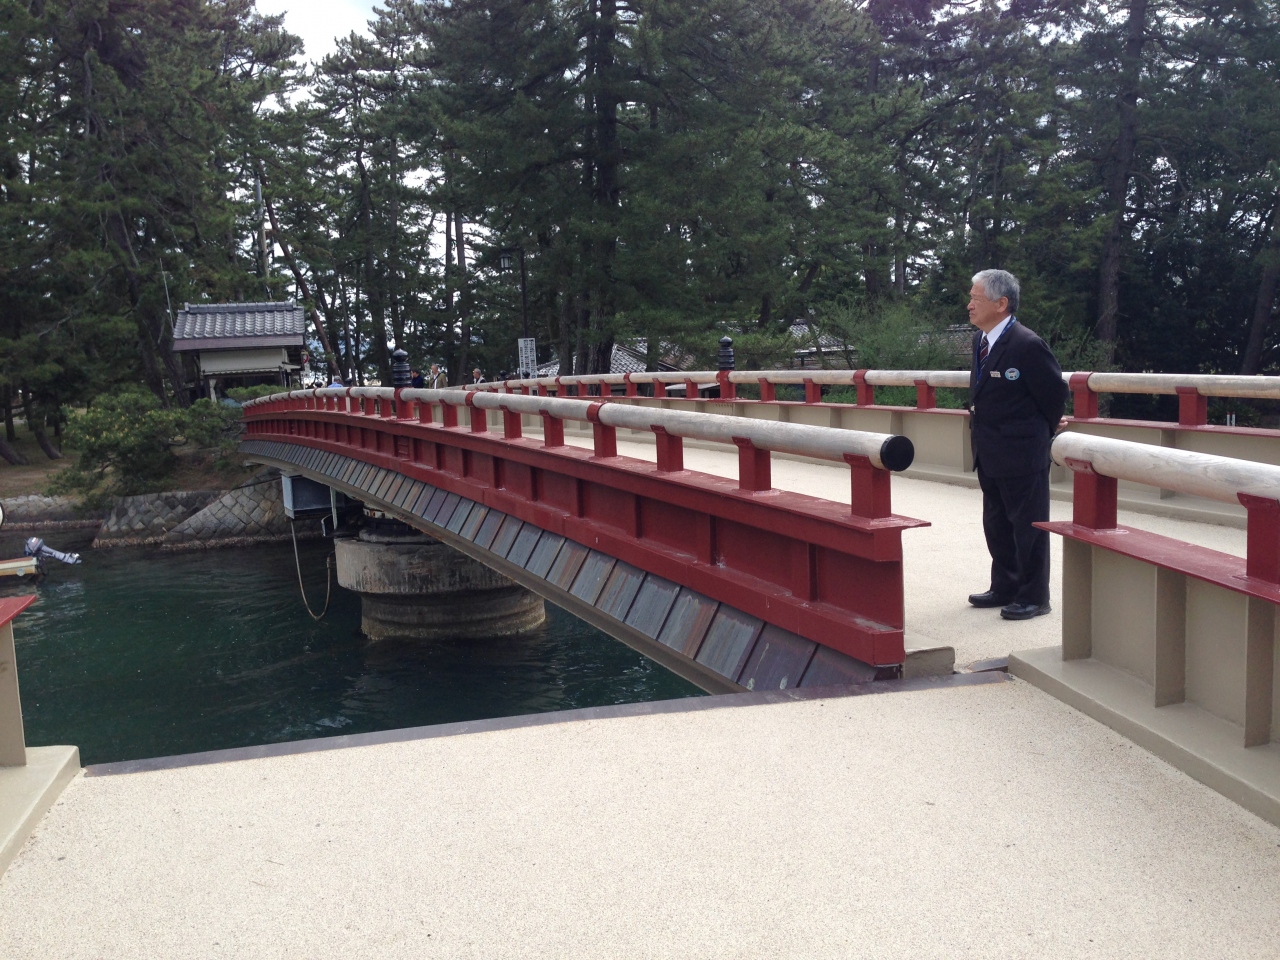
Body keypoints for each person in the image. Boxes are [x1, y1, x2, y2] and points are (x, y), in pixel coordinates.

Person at [965, 269, 1068, 620]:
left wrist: (1040, 431)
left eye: (975, 299)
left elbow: (1054, 394)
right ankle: (1005, 586)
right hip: (989, 450)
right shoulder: (980, 341)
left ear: (1001, 303)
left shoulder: (1026, 344)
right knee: (996, 524)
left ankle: (1034, 597)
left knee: (1029, 528)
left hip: (1022, 453)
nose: (969, 305)